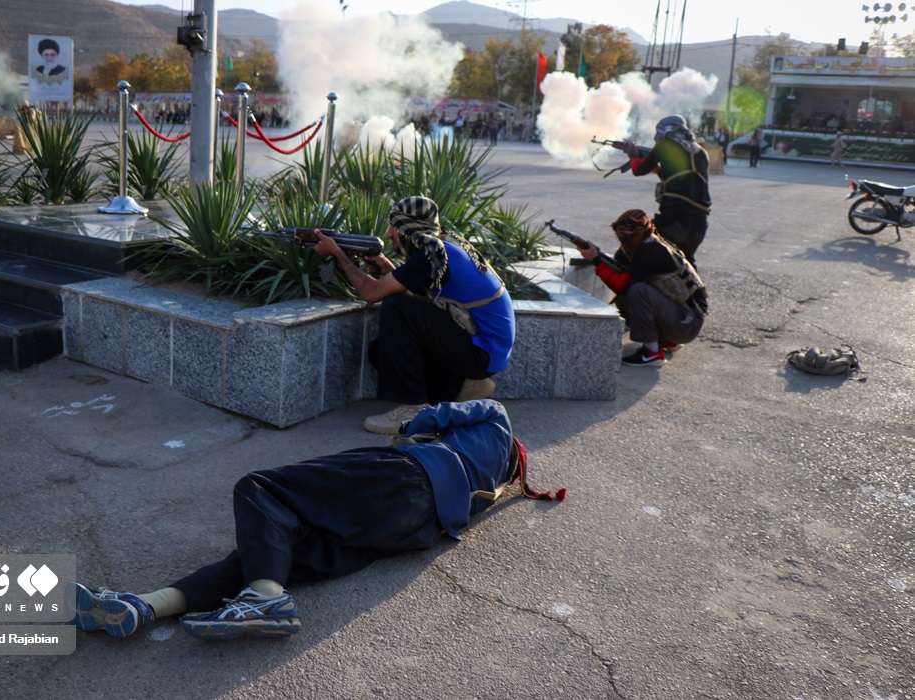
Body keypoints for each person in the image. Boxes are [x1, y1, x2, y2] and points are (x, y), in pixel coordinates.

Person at [65, 400, 562, 642]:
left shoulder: (497, 417)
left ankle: (265, 600)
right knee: (267, 553)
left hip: (406, 476)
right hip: (411, 532)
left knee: (262, 489)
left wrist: (413, 428)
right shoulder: (490, 490)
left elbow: (431, 417)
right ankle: (143, 607)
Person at [312, 196, 515, 434]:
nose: (389, 233)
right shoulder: (439, 249)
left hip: (481, 352)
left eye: (395, 226)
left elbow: (372, 293)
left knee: (397, 307)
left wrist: (338, 254)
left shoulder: (429, 257)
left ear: (409, 229)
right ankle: (462, 387)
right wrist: (388, 268)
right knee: (381, 352)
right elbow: (421, 290)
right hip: (481, 348)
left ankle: (413, 410)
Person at [573, 209, 707, 367]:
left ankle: (652, 352)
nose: (623, 239)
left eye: (627, 234)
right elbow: (621, 267)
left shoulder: (650, 251)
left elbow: (621, 285)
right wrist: (599, 256)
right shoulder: (649, 242)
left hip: (686, 325)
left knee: (637, 291)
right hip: (684, 319)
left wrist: (596, 260)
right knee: (633, 290)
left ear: (639, 232)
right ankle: (666, 340)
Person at [623, 114, 711, 267]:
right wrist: (659, 169)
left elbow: (638, 169)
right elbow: (681, 178)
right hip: (700, 222)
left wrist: (633, 155)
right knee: (686, 264)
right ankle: (695, 291)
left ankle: (629, 288)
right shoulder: (701, 152)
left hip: (674, 217)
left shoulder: (664, 146)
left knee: (633, 249)